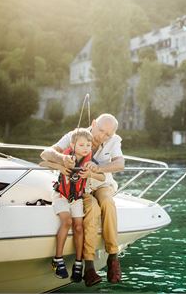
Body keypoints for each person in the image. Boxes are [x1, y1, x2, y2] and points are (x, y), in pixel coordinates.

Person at [41, 113, 125, 286]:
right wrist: (62, 159)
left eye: (107, 134)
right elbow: (46, 153)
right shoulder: (75, 135)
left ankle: (113, 257)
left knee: (108, 203)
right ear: (93, 123)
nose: (102, 136)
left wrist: (98, 167)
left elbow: (120, 164)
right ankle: (89, 266)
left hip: (102, 182)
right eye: (100, 130)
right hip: (82, 188)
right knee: (93, 208)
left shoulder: (114, 140)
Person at [39, 128, 105, 282]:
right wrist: (61, 166)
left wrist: (90, 174)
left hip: (76, 198)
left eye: (88, 145)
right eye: (81, 145)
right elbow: (42, 162)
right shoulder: (66, 157)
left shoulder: (90, 162)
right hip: (61, 195)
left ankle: (78, 262)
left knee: (78, 227)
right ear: (73, 145)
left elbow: (102, 177)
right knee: (67, 221)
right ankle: (57, 259)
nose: (86, 148)